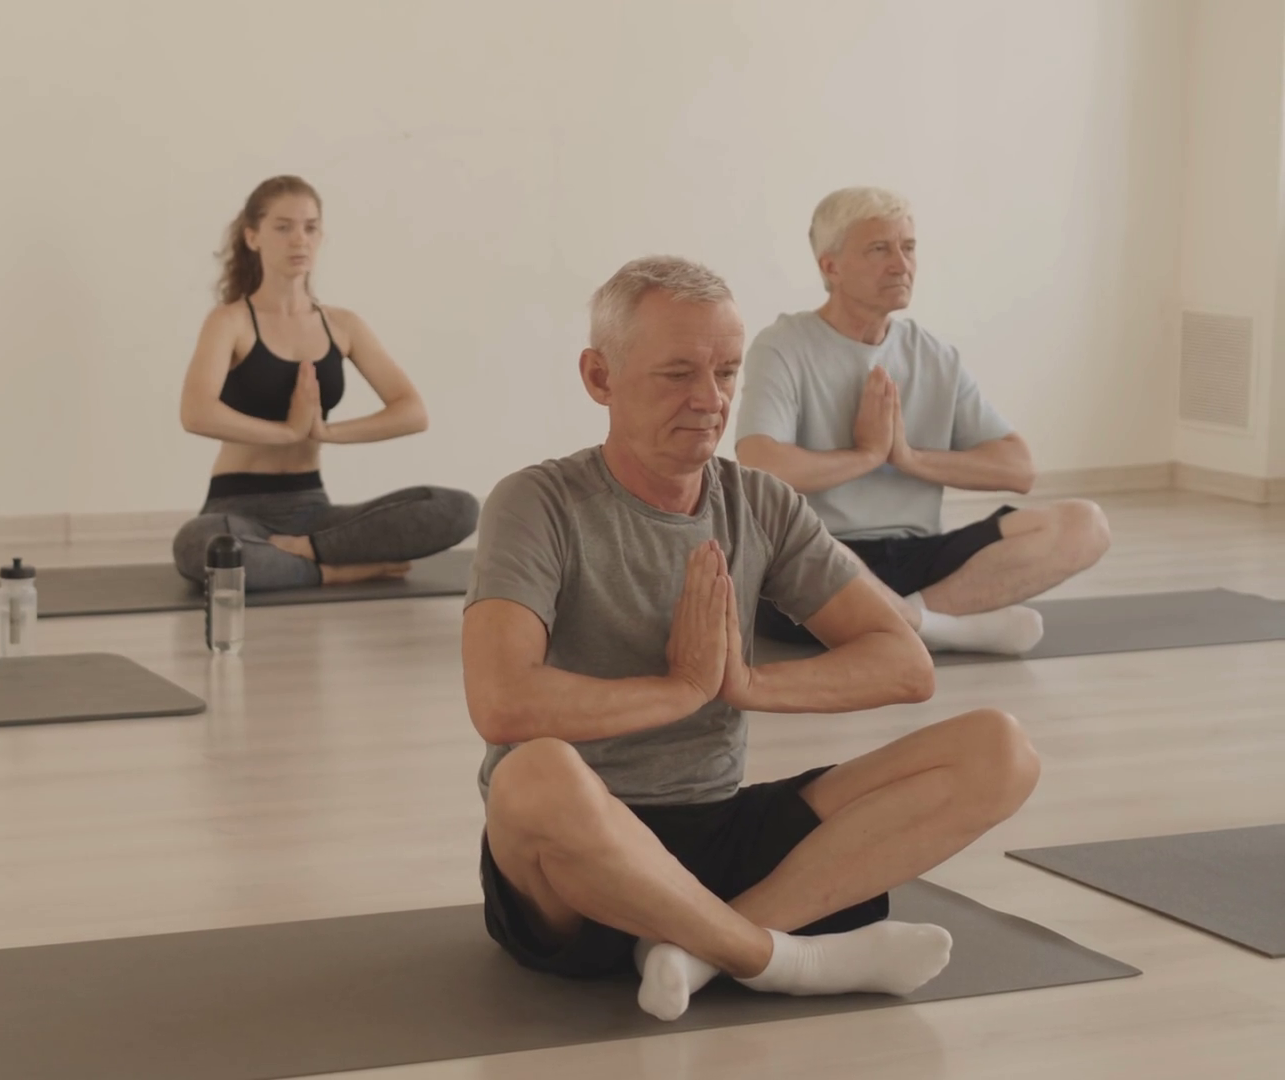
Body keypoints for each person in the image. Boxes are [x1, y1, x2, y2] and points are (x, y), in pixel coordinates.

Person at [463, 256, 1039, 1021]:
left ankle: (697, 950)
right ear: (600, 377)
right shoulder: (536, 503)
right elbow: (501, 702)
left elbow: (905, 664)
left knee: (1000, 749)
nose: (710, 399)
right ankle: (779, 958)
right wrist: (678, 691)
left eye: (727, 372)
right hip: (575, 866)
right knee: (531, 776)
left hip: (720, 830)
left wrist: (748, 685)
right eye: (677, 374)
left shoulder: (760, 503)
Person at [736, 187, 1110, 655]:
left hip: (918, 555)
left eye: (908, 247)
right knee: (805, 550)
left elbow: (1018, 469)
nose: (901, 264)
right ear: (830, 267)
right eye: (879, 249)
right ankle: (938, 626)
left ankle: (913, 623)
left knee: (1085, 525)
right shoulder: (783, 346)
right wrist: (865, 456)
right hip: (820, 555)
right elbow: (761, 466)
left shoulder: (934, 355)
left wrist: (907, 457)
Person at [173, 176, 478, 590]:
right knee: (200, 547)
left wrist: (324, 432)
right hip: (236, 509)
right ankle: (332, 569)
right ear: (252, 236)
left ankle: (308, 551)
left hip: (313, 511)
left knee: (458, 508)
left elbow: (411, 412)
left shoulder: (342, 325)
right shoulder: (230, 322)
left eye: (311, 227)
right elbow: (196, 413)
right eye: (283, 227)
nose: (300, 239)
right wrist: (287, 432)